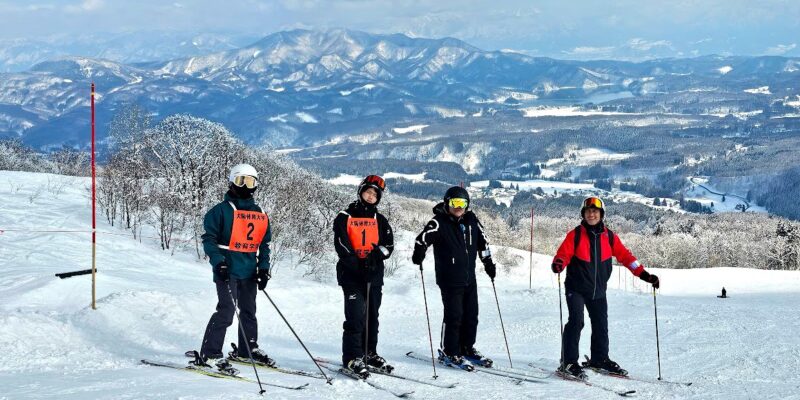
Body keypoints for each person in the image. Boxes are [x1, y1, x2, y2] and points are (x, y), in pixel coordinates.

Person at [551, 196, 660, 379]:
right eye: (588, 211)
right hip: (576, 288)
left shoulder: (609, 237)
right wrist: (559, 264)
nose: (591, 214)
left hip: (598, 290)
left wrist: (644, 274)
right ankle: (568, 362)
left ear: (601, 214)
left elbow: (626, 257)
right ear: (583, 214)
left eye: (595, 211)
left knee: (601, 325)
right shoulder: (575, 235)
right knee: (576, 322)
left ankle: (599, 359)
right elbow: (563, 254)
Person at [191, 164, 273, 374]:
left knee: (249, 311)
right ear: (231, 182)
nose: (246, 186)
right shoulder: (220, 211)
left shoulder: (261, 213)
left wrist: (263, 268)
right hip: (227, 269)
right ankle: (210, 353)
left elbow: (264, 244)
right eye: (241, 181)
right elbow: (209, 239)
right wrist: (218, 262)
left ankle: (247, 349)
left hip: (249, 270)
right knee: (226, 311)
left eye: (251, 182)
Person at [412, 186, 497, 370]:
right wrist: (419, 252)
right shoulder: (439, 222)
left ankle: (466, 347)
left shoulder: (472, 220)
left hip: (469, 278)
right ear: (447, 203)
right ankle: (449, 351)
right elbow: (422, 239)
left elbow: (483, 243)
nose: (459, 207)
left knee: (471, 315)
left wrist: (488, 262)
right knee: (454, 316)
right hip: (449, 279)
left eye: (463, 203)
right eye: (454, 203)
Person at [333, 175, 394, 378]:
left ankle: (369, 353)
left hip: (374, 276)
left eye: (375, 194)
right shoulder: (345, 216)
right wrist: (358, 265)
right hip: (351, 275)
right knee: (356, 315)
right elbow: (342, 245)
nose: (371, 196)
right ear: (360, 192)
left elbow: (389, 246)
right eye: (368, 192)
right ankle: (352, 357)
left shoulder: (380, 220)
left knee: (372, 316)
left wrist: (376, 256)